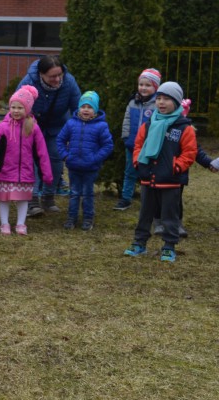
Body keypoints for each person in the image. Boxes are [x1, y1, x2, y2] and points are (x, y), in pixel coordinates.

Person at [124, 82, 197, 262]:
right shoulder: (149, 125)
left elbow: (190, 152)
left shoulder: (184, 128)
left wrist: (176, 167)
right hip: (148, 177)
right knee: (145, 214)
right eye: (159, 98)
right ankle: (139, 243)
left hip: (170, 180)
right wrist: (137, 163)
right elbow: (138, 146)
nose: (161, 103)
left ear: (177, 102)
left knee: (169, 215)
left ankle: (169, 246)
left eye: (166, 99)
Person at [0, 85, 53, 236]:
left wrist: (46, 173)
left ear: (28, 109)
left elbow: (41, 152)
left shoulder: (33, 128)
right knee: (4, 199)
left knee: (22, 199)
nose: (16, 111)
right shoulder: (2, 128)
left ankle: (20, 224)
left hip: (25, 173)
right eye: (13, 107)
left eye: (20, 108)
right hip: (5, 171)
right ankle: (4, 223)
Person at [15, 56, 81, 216]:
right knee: (31, 161)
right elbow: (17, 105)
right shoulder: (28, 82)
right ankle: (32, 200)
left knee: (56, 159)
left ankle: (48, 196)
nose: (57, 79)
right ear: (41, 74)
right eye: (52, 76)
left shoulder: (69, 82)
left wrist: (77, 131)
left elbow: (77, 108)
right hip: (32, 126)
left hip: (57, 126)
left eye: (60, 75)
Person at [57, 91, 113, 231]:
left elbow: (107, 145)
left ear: (95, 110)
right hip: (73, 166)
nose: (86, 110)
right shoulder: (71, 123)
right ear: (79, 108)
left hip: (90, 168)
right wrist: (66, 156)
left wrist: (95, 159)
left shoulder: (101, 126)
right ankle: (71, 218)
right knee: (74, 193)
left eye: (89, 107)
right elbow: (60, 140)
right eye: (83, 106)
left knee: (88, 194)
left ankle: (88, 218)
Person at [116, 68, 160, 211]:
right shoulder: (132, 102)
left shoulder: (157, 105)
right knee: (129, 172)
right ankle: (125, 199)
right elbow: (127, 120)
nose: (143, 88)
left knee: (150, 174)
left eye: (148, 85)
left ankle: (150, 201)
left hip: (150, 147)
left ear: (155, 87)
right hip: (133, 145)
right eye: (141, 84)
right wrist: (126, 136)